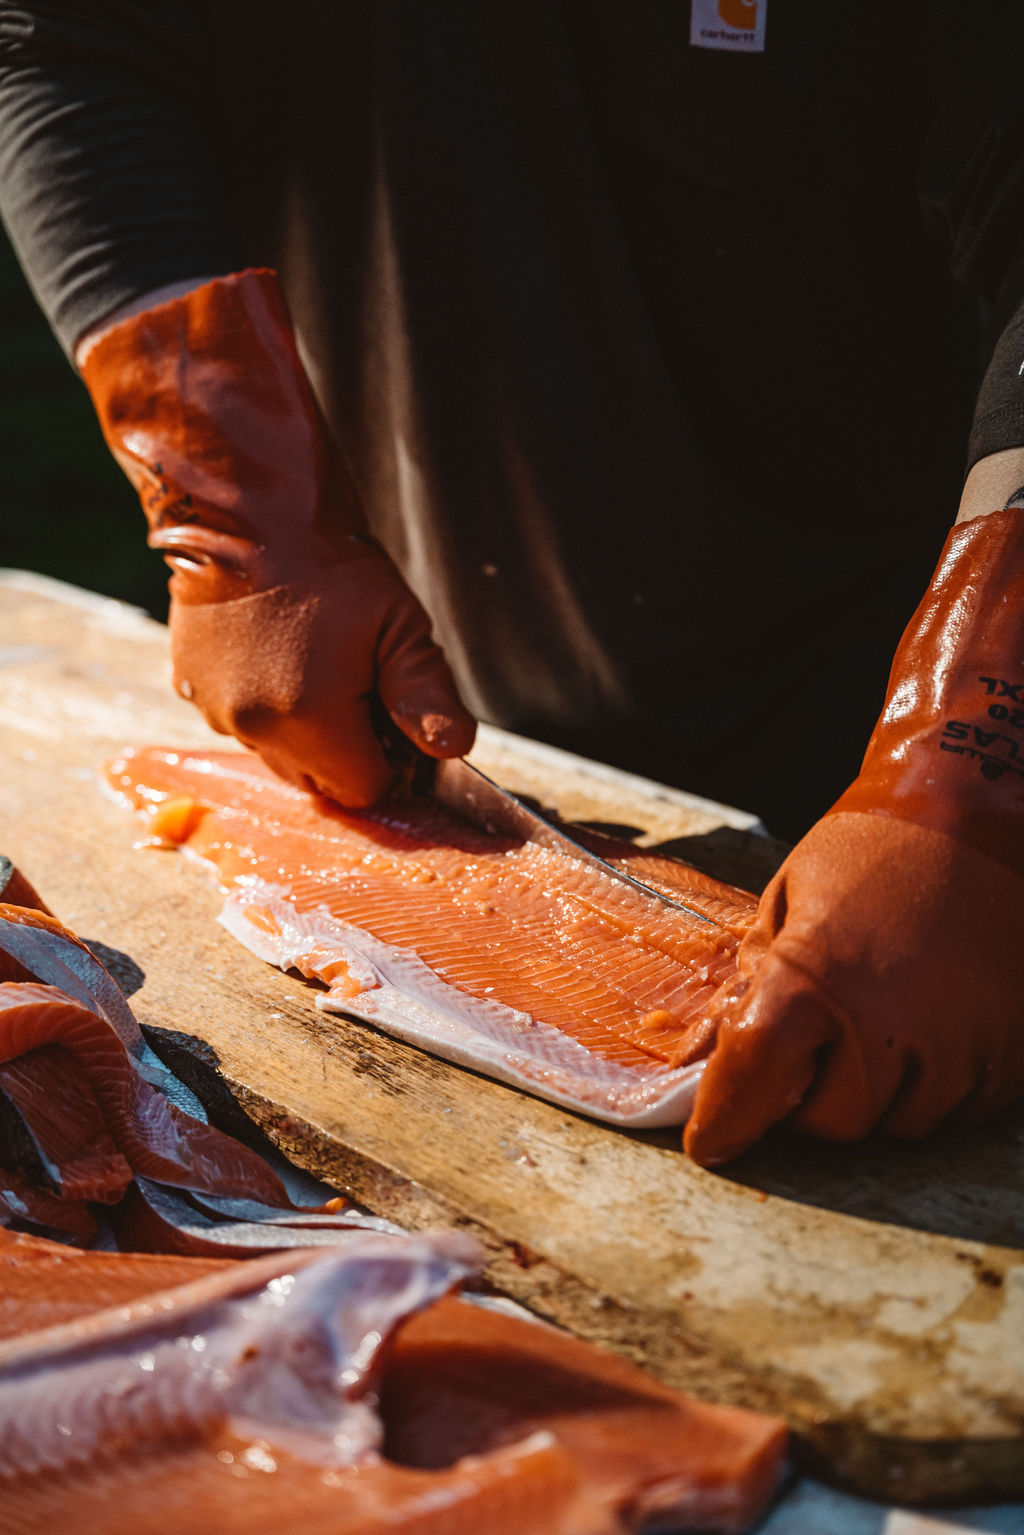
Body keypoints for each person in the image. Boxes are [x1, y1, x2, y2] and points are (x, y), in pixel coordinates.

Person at [1, 1, 1022, 1165]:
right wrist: (233, 500)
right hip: (426, 683)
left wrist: (973, 775)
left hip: (877, 701)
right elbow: (73, 39)